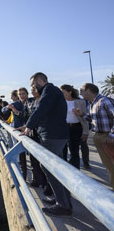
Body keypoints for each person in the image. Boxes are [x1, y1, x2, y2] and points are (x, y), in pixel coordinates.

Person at [22, 72, 71, 217]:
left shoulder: (49, 90)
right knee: (58, 168)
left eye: (32, 84)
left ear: (40, 81)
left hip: (53, 136)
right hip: (55, 135)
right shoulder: (51, 91)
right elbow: (41, 111)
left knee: (49, 167)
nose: (32, 87)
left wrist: (28, 127)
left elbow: (41, 109)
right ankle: (63, 200)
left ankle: (63, 205)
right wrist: (27, 125)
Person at [74, 83, 114, 189]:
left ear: (89, 90)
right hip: (99, 136)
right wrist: (82, 114)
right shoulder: (93, 103)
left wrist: (112, 135)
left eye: (82, 90)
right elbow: (94, 119)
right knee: (108, 165)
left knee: (112, 165)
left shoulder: (104, 101)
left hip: (108, 137)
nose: (80, 93)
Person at [60, 84, 89, 169]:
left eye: (63, 92)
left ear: (70, 92)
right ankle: (64, 170)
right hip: (63, 128)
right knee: (63, 150)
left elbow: (85, 118)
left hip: (76, 128)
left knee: (74, 151)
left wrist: (85, 132)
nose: (62, 94)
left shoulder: (80, 102)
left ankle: (76, 170)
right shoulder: (60, 102)